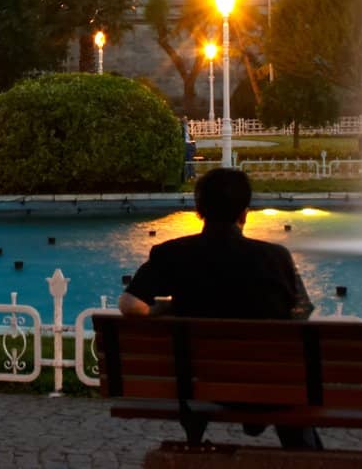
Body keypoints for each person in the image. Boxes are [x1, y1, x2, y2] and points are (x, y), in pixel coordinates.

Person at [117, 167, 321, 451]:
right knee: (286, 384)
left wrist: (167, 308)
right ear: (244, 212)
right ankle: (305, 454)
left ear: (199, 210)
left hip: (201, 383)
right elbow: (300, 313)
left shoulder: (171, 253)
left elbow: (130, 306)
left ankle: (194, 445)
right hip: (269, 386)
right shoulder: (276, 257)